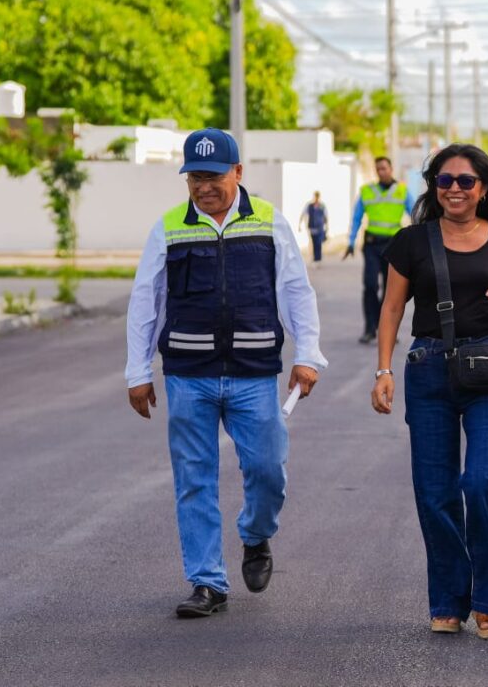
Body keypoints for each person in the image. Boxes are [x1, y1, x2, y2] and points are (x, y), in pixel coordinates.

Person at [125, 128, 326, 618]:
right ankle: (207, 582)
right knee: (194, 478)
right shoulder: (169, 226)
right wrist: (138, 371)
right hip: (187, 374)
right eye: (195, 176)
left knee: (267, 469)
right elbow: (145, 301)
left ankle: (256, 536)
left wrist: (308, 353)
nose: (203, 186)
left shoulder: (269, 223)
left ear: (238, 172)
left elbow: (296, 291)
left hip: (253, 373)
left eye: (213, 176)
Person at [370, 144, 488, 640]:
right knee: (435, 492)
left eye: (465, 181)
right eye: (445, 181)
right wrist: (383, 370)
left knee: (484, 482)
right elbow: (392, 310)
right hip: (428, 372)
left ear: (484, 188)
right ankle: (448, 600)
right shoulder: (412, 241)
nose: (455, 189)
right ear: (433, 188)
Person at [345, 156, 415, 344]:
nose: (381, 171)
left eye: (384, 168)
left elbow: (416, 215)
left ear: (391, 169)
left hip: (394, 246)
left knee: (389, 290)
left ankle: (387, 329)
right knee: (370, 286)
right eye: (378, 169)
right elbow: (357, 217)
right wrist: (351, 241)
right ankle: (370, 328)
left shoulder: (402, 191)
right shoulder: (367, 191)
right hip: (372, 245)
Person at [297, 191, 329, 265]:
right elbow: (303, 213)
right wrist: (299, 225)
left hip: (320, 228)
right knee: (314, 243)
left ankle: (318, 259)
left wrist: (327, 227)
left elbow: (326, 217)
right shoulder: (309, 206)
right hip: (312, 228)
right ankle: (315, 258)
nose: (316, 198)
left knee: (319, 243)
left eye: (317, 196)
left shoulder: (322, 206)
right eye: (315, 196)